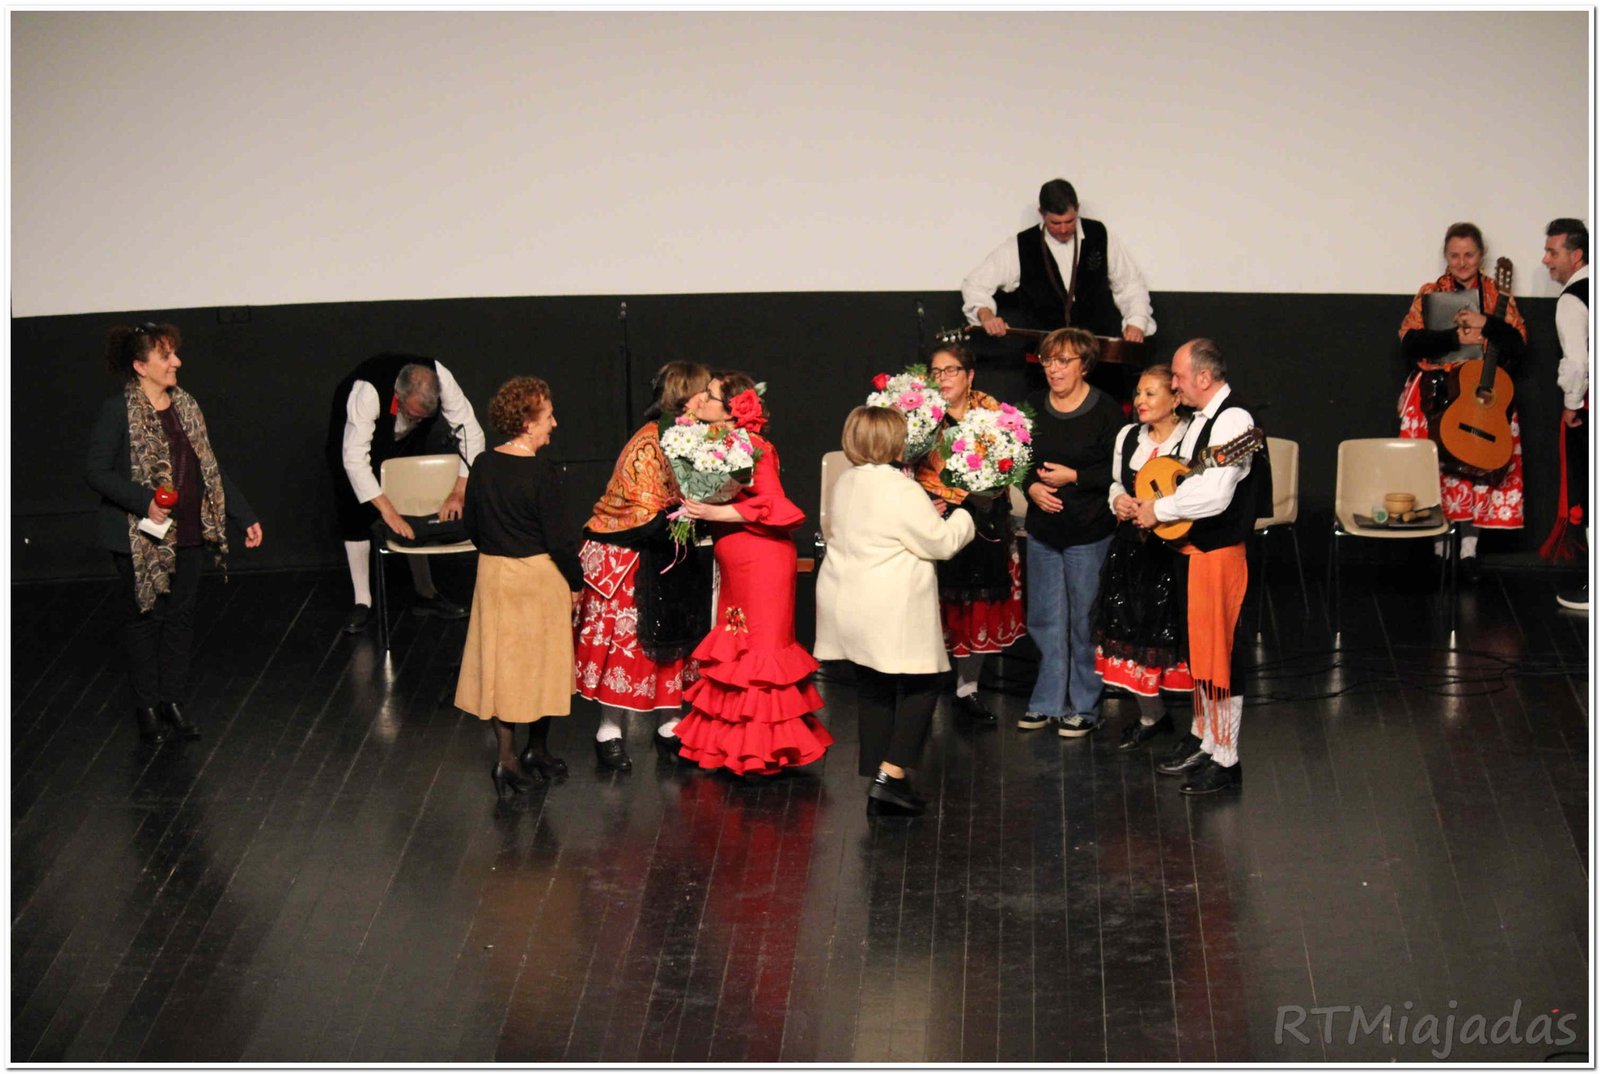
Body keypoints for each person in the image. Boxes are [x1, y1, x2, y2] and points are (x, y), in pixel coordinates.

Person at [86, 322, 264, 743]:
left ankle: (173, 701)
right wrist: (141, 500)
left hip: (187, 531)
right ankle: (147, 707)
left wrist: (243, 515)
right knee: (144, 620)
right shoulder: (118, 412)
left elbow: (209, 468)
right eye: (165, 355)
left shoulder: (186, 405)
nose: (176, 362)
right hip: (139, 536)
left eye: (174, 354)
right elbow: (95, 471)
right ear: (139, 366)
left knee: (180, 621)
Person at [815, 407, 976, 816]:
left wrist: (924, 514)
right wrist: (965, 515)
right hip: (887, 604)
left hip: (847, 598)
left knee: (875, 685)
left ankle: (882, 778)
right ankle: (891, 773)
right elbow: (940, 544)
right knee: (925, 683)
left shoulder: (847, 480)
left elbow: (881, 526)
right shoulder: (901, 488)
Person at [673, 372, 833, 777]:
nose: (701, 400)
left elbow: (775, 505)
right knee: (736, 648)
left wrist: (713, 512)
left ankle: (764, 751)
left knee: (759, 654)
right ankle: (733, 747)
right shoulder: (719, 443)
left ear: (731, 409)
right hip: (738, 561)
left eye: (709, 396)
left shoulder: (753, 446)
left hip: (762, 562)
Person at [1133, 339, 1264, 796]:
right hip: (1195, 552)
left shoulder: (1235, 421)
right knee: (1202, 652)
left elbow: (1214, 495)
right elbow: (1186, 473)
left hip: (1219, 553)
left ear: (1204, 378)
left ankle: (1227, 758)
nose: (1173, 383)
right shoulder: (1202, 422)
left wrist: (1159, 510)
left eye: (1179, 376)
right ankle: (1209, 741)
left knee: (1221, 654)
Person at [574, 361, 715, 771]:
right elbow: (644, 517)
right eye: (704, 392)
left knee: (673, 645)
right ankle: (609, 731)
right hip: (629, 557)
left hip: (668, 554)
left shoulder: (694, 439)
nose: (709, 398)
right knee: (630, 649)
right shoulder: (649, 443)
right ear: (686, 398)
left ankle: (670, 726)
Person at [453, 377, 584, 798]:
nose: (554, 424)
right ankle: (514, 759)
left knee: (507, 667)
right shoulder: (541, 473)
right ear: (527, 423)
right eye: (548, 416)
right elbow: (561, 539)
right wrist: (577, 585)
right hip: (537, 578)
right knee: (537, 666)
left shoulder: (485, 465)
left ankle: (521, 755)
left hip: (494, 575)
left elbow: (470, 524)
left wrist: (497, 551)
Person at [1397, 223, 1528, 581]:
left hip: (1482, 396)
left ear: (1481, 255)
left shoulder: (1497, 295)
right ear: (1446, 256)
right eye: (1454, 255)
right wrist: (1453, 336)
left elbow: (1517, 346)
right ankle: (1439, 548)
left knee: (1480, 465)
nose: (1461, 261)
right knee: (1437, 469)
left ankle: (1469, 551)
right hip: (1438, 393)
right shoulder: (1430, 292)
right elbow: (1410, 342)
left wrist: (1485, 323)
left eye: (1469, 254)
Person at [325, 353, 486, 634]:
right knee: (353, 508)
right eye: (412, 413)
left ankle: (426, 594)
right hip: (357, 441)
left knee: (416, 500)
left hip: (402, 443)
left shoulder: (442, 379)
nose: (416, 419)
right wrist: (388, 510)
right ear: (399, 398)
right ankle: (362, 601)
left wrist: (460, 491)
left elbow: (472, 434)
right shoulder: (368, 391)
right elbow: (353, 459)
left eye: (423, 416)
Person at [1018, 328, 1123, 737]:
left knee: (1083, 621)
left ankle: (1084, 706)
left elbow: (1118, 469)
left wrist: (1074, 475)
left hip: (1088, 531)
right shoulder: (1031, 407)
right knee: (1045, 619)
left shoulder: (1105, 411)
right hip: (1044, 531)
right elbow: (1014, 458)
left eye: (1063, 361)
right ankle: (1045, 702)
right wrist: (1031, 487)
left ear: (1084, 365)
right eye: (1048, 360)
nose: (1054, 369)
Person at [914, 342, 1026, 723]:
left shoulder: (992, 412)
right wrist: (921, 502)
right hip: (936, 516)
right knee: (938, 607)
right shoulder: (920, 414)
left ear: (970, 374)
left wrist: (992, 487)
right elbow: (903, 466)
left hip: (985, 515)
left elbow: (1011, 461)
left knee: (978, 606)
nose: (943, 379)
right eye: (937, 372)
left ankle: (967, 689)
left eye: (951, 371)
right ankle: (927, 689)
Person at [1094, 364, 1195, 751]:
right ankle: (1152, 716)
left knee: (1176, 634)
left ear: (1175, 400)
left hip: (1172, 550)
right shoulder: (1128, 436)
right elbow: (1118, 480)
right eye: (1138, 393)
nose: (1140, 401)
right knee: (1129, 628)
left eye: (1151, 393)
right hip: (1132, 547)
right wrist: (1116, 500)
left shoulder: (1191, 437)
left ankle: (1200, 729)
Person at [1543, 218, 1590, 612]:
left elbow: (1577, 363)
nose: (1546, 260)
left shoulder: (1573, 298)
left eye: (1552, 252)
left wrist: (1572, 405)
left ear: (1576, 256)